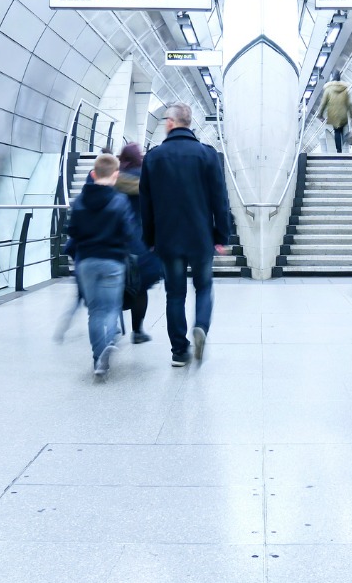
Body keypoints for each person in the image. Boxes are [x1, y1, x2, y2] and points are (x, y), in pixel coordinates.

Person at [140, 103, 231, 367]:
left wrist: (149, 239)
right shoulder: (207, 155)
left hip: (168, 239)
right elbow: (219, 199)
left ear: (170, 123)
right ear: (189, 123)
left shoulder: (154, 157)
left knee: (175, 294)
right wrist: (221, 236)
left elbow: (145, 204)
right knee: (203, 288)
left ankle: (179, 351)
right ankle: (201, 326)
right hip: (201, 237)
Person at [66, 153, 139, 377]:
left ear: (93, 174)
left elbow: (72, 232)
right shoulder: (119, 201)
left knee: (95, 312)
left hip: (86, 262)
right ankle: (108, 343)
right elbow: (127, 233)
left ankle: (98, 358)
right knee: (111, 308)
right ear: (116, 175)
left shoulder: (79, 202)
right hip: (112, 262)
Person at [115, 143, 159, 344]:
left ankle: (112, 324)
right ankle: (138, 330)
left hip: (117, 241)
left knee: (114, 285)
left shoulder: (115, 181)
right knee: (140, 288)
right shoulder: (147, 180)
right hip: (141, 241)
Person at [317, 73, 352, 153]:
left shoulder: (328, 90)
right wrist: (351, 115)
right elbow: (349, 104)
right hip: (343, 114)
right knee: (342, 130)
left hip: (333, 114)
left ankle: (339, 150)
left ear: (332, 79)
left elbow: (323, 103)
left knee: (336, 131)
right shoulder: (345, 90)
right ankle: (344, 140)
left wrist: (320, 115)